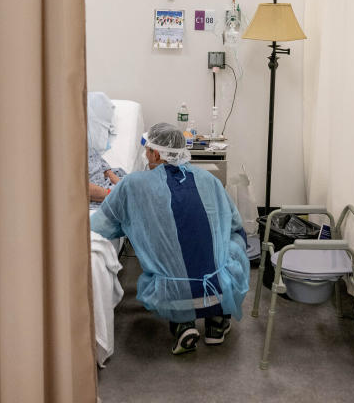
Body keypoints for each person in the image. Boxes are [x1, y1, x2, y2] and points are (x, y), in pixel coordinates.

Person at [90, 123, 250, 355]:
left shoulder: (133, 185)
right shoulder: (209, 180)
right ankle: (217, 321)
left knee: (172, 262)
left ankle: (182, 325)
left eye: (147, 150)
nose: (145, 155)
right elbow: (235, 224)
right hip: (220, 285)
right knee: (234, 240)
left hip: (170, 293)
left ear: (155, 153)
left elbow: (102, 226)